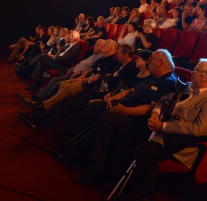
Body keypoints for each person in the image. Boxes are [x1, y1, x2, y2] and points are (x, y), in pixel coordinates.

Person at [73, 49, 178, 184]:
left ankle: (98, 168)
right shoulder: (153, 76)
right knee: (96, 106)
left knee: (108, 117)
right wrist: (112, 99)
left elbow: (150, 109)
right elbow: (131, 90)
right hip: (127, 105)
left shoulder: (167, 82)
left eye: (151, 60)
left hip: (138, 119)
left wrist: (124, 110)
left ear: (160, 63)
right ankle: (82, 151)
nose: (148, 62)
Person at [134, 59, 207, 200]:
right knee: (132, 129)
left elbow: (198, 129)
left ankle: (145, 195)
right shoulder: (188, 86)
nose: (192, 72)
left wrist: (163, 126)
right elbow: (164, 99)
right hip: (162, 133)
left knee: (144, 150)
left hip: (180, 144)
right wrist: (155, 113)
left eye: (196, 70)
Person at [18, 44, 140, 131]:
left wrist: (108, 78)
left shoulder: (129, 68)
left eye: (119, 53)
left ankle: (41, 122)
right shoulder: (119, 64)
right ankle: (40, 117)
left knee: (69, 104)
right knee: (66, 101)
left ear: (125, 55)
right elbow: (107, 77)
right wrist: (108, 77)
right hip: (95, 89)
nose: (117, 55)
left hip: (99, 93)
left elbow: (111, 80)